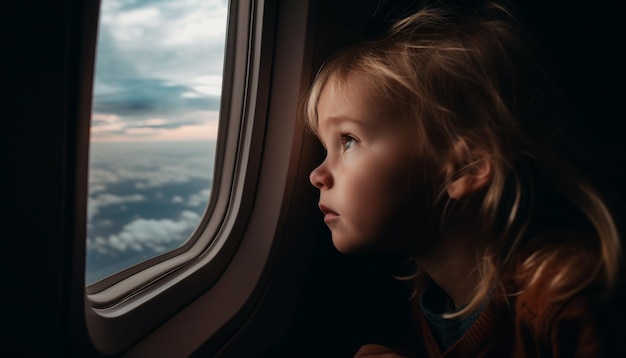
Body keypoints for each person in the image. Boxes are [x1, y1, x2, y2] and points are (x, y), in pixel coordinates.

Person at [304, 1, 623, 357]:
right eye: (326, 147)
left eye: (348, 140)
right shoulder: (434, 299)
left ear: (466, 167)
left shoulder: (564, 294)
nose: (317, 174)